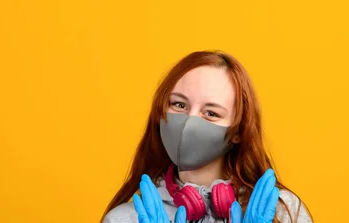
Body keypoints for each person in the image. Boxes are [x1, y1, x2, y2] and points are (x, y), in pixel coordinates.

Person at [101, 50, 313, 223]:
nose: (189, 121)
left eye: (211, 113)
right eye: (179, 105)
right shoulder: (126, 218)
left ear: (238, 132)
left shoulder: (283, 213)